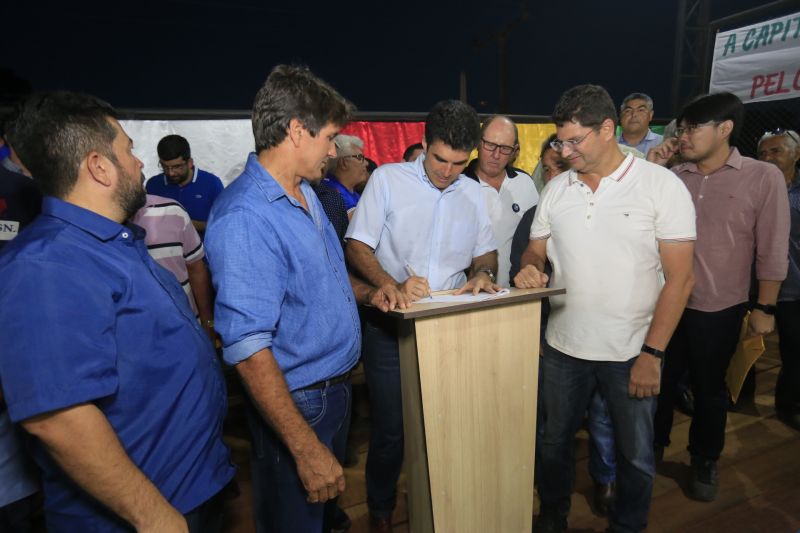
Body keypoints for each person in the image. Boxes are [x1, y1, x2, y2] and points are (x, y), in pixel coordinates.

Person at [0, 91, 235, 532]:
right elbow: (59, 419)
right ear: (99, 166)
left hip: (188, 488)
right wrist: (154, 517)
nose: (140, 163)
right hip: (142, 514)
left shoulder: (113, 242)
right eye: (128, 149)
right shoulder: (47, 265)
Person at [204, 64, 390, 533]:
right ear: (295, 131)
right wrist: (305, 448)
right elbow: (248, 349)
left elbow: (328, 276)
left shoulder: (305, 193)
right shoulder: (246, 217)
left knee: (322, 516)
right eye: (329, 137)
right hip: (297, 402)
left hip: (334, 390)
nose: (334, 149)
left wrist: (372, 293)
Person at [515, 84, 696, 533]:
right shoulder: (557, 190)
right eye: (560, 141)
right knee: (555, 442)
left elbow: (681, 280)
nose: (565, 149)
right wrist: (530, 268)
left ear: (608, 129)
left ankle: (628, 525)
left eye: (575, 140)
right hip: (562, 348)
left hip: (631, 351)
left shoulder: (660, 186)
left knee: (634, 453)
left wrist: (652, 355)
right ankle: (554, 515)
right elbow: (534, 250)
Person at [345, 99, 499, 532]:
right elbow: (357, 245)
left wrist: (484, 274)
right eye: (439, 159)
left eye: (458, 162)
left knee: (447, 421)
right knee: (392, 427)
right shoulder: (388, 181)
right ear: (425, 144)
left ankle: (444, 507)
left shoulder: (473, 194)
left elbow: (485, 252)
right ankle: (380, 509)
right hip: (390, 327)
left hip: (449, 325)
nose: (447, 171)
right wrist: (388, 285)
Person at [648, 92, 790, 502]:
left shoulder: (762, 177)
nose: (684, 135)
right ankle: (651, 447)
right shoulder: (674, 175)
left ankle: (704, 458)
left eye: (694, 127)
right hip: (665, 302)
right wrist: (654, 168)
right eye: (683, 127)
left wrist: (765, 306)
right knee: (657, 379)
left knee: (710, 389)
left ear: (724, 129)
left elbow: (772, 248)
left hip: (719, 305)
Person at [757, 129, 800, 431]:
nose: (769, 158)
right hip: (762, 285)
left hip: (795, 287)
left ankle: (788, 405)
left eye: (776, 151)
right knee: (746, 345)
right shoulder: (755, 189)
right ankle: (738, 394)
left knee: (794, 350)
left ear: (796, 154)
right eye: (763, 153)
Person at [464, 115, 539, 287]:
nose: (496, 155)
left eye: (505, 148)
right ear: (478, 143)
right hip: (471, 293)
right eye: (490, 145)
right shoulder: (459, 186)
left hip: (519, 293)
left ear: (515, 151)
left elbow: (537, 235)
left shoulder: (524, 182)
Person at [131, 194, 216, 341]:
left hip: (187, 328)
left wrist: (208, 322)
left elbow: (197, 269)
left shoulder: (172, 211)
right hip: (136, 338)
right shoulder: (89, 225)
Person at [145, 134, 224, 234]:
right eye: (164, 166)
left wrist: (187, 223)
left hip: (202, 248)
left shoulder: (212, 184)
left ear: (190, 163)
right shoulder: (153, 185)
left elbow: (223, 224)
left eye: (177, 166)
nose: (171, 173)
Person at [322, 134, 368, 213]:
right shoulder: (329, 194)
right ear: (344, 163)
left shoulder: (353, 193)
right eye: (360, 157)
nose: (366, 163)